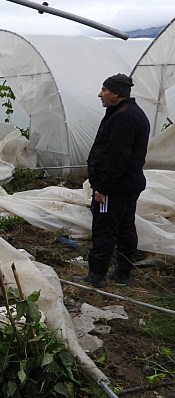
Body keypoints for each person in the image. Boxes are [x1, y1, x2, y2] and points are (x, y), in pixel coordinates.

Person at [79, 73, 150, 288]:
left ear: (116, 93)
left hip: (115, 186)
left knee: (104, 227)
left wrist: (103, 187)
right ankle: (122, 274)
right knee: (125, 227)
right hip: (129, 183)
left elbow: (118, 156)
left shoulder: (124, 117)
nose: (100, 94)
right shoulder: (128, 112)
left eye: (104, 90)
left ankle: (96, 276)